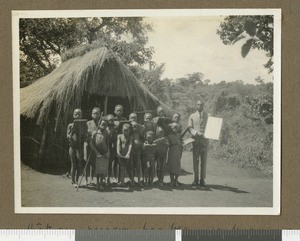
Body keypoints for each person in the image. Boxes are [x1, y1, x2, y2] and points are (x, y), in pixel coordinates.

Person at [187, 100, 209, 187]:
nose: (199, 106)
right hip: (196, 142)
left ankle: (202, 180)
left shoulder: (208, 116)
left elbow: (212, 126)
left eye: (201, 104)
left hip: (204, 141)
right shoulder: (192, 116)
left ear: (203, 105)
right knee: (195, 161)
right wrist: (196, 133)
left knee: (204, 161)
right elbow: (189, 127)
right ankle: (195, 179)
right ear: (196, 106)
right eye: (198, 104)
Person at [67, 109, 85, 187]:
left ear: (81, 116)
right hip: (72, 147)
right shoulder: (70, 125)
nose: (77, 116)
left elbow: (85, 135)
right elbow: (67, 136)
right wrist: (71, 132)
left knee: (79, 165)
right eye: (76, 114)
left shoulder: (84, 125)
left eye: (79, 114)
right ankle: (73, 181)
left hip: (80, 147)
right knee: (73, 164)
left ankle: (77, 181)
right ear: (73, 115)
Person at [89, 117, 109, 190]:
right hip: (97, 153)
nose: (104, 126)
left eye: (105, 125)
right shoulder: (95, 133)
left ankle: (101, 183)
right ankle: (97, 183)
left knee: (102, 169)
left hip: (104, 153)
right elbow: (91, 143)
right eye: (102, 124)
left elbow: (108, 143)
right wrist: (96, 152)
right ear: (99, 124)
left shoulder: (107, 133)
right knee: (97, 169)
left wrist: (107, 152)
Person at [85, 107, 101, 186]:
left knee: (94, 163)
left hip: (96, 146)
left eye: (97, 113)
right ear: (91, 114)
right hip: (89, 145)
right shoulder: (88, 123)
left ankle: (92, 178)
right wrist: (91, 133)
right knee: (87, 163)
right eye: (94, 113)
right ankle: (86, 179)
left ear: (99, 115)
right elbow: (85, 132)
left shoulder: (100, 123)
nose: (95, 114)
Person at [167, 123, 183, 187]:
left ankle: (176, 181)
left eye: (176, 128)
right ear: (171, 128)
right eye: (173, 127)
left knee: (177, 166)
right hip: (171, 152)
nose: (175, 129)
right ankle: (171, 181)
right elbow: (168, 143)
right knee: (171, 166)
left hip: (178, 152)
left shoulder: (179, 136)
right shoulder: (169, 136)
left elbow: (182, 143)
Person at [131, 121, 144, 186]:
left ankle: (139, 180)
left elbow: (142, 141)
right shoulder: (130, 133)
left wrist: (136, 124)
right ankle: (132, 180)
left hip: (138, 152)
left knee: (138, 167)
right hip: (132, 152)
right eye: (132, 127)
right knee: (132, 166)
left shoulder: (139, 133)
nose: (134, 128)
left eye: (135, 126)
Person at [106, 114, 117, 185]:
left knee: (111, 163)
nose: (111, 121)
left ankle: (111, 178)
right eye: (109, 120)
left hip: (113, 147)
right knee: (106, 163)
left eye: (112, 120)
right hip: (106, 146)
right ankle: (104, 178)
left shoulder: (115, 128)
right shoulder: (105, 128)